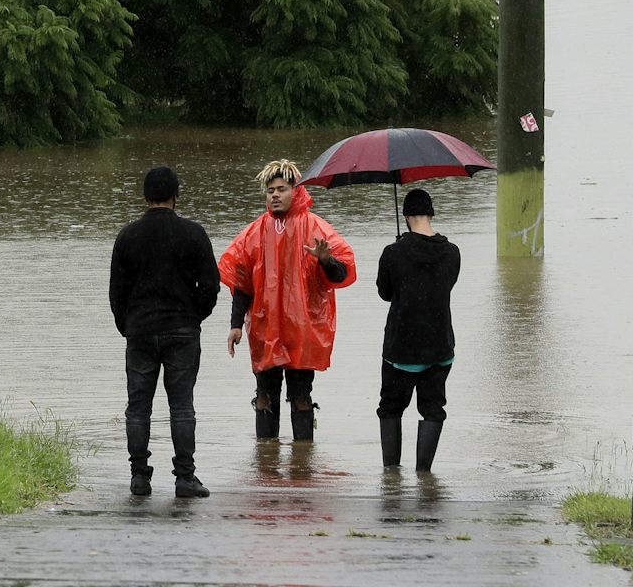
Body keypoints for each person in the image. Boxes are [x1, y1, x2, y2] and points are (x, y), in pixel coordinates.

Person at [217, 159, 356, 442]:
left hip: (304, 329)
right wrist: (234, 325)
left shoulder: (316, 228)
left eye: (281, 189)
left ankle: (302, 464)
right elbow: (241, 282)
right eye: (270, 191)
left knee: (302, 397)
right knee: (264, 398)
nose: (275, 195)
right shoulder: (253, 233)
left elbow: (341, 274)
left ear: (295, 190)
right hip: (265, 328)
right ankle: (266, 466)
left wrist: (326, 259)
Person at [109, 164, 222, 498]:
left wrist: (128, 325)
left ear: (145, 197)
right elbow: (212, 287)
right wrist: (194, 317)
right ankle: (185, 477)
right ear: (176, 195)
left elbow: (117, 292)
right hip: (182, 329)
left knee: (138, 407)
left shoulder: (127, 236)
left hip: (140, 330)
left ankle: (139, 477)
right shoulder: (194, 234)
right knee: (182, 406)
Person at [375, 187, 461, 472]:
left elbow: (385, 293)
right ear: (431, 213)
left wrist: (399, 251)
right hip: (439, 347)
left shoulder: (392, 253)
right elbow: (445, 286)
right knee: (433, 408)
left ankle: (391, 474)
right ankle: (424, 475)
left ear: (407, 216)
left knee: (390, 408)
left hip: (401, 347)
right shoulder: (452, 253)